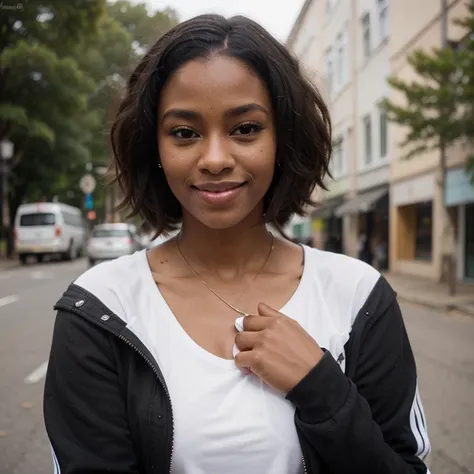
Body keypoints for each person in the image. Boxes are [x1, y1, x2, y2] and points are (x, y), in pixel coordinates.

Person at [43, 14, 431, 474]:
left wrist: (322, 387)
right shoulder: (102, 307)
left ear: (282, 138)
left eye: (245, 128)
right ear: (155, 150)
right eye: (184, 133)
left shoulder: (357, 297)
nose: (214, 159)